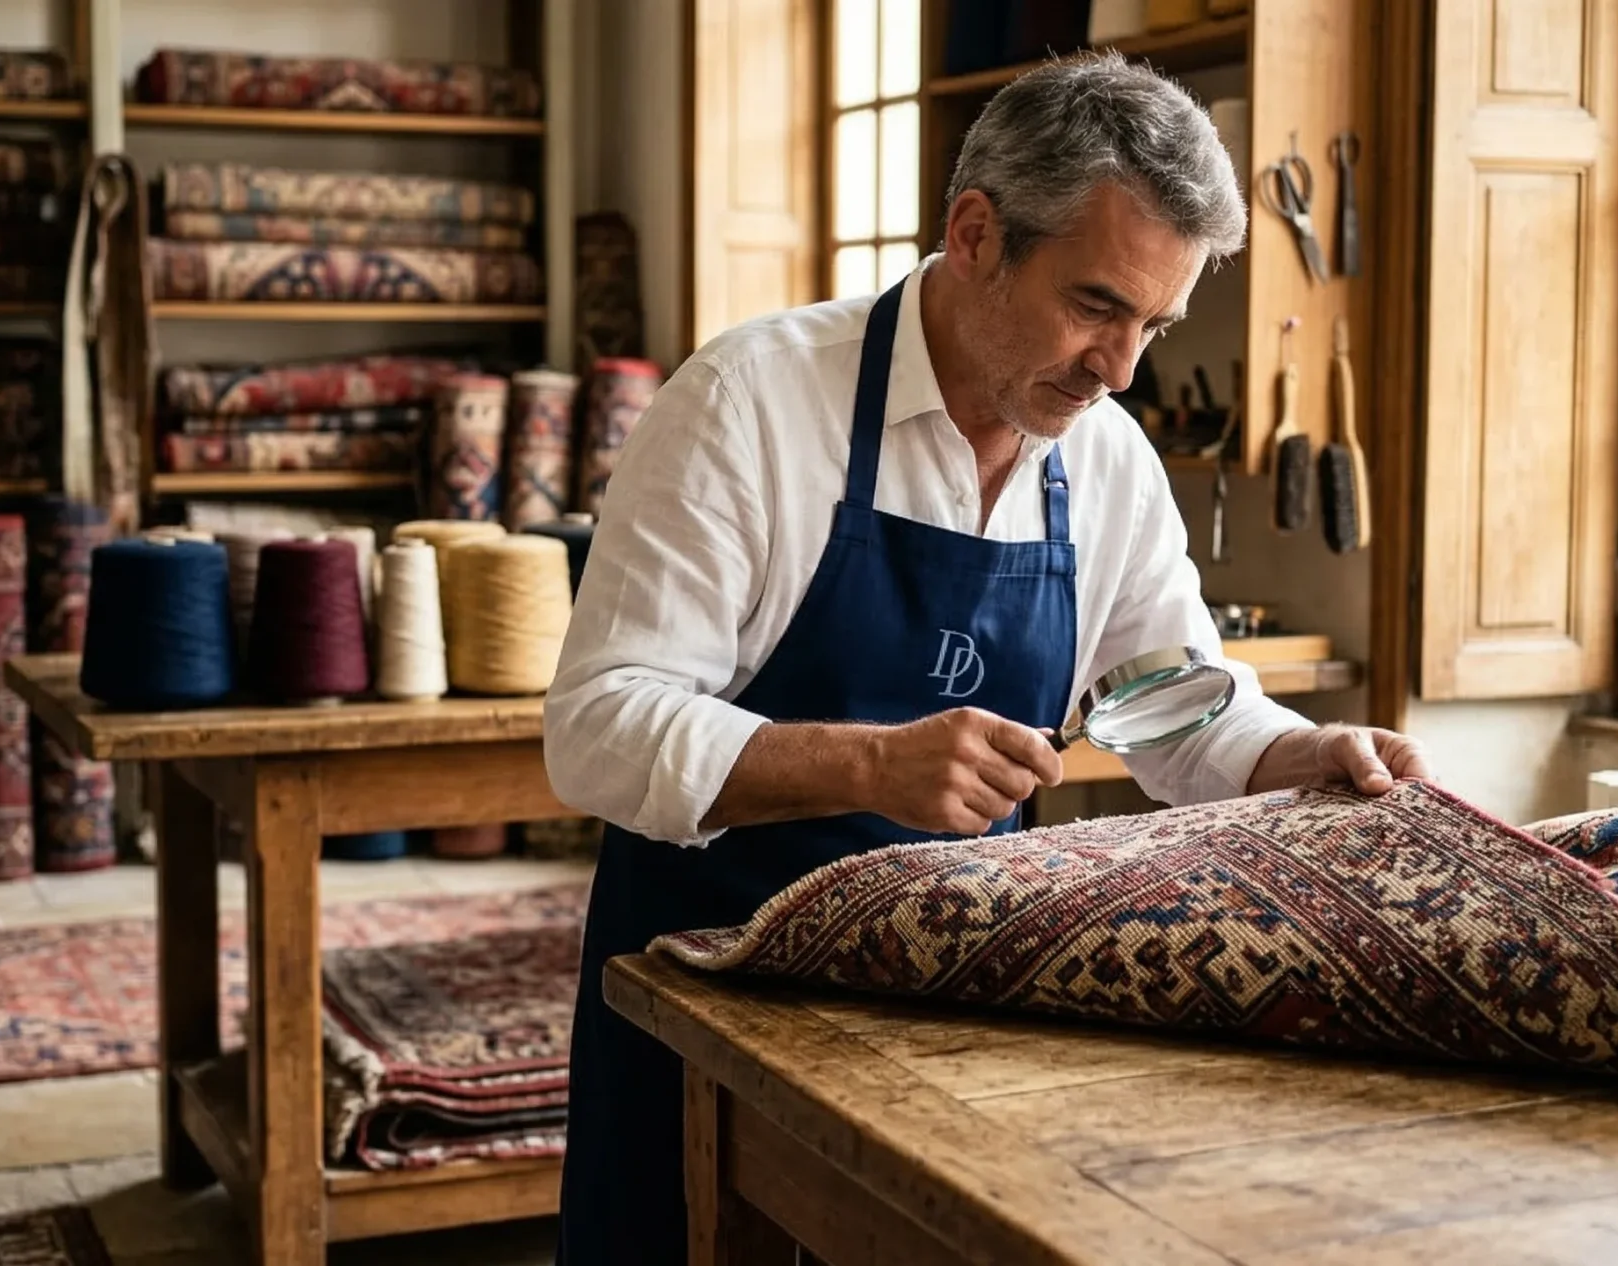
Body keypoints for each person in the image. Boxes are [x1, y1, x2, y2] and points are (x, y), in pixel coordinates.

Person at [540, 48, 1432, 1263]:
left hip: (955, 1007)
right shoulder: (748, 403)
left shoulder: (1103, 456)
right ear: (973, 235)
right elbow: (595, 728)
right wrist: (864, 766)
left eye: (1155, 325)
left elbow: (1164, 707)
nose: (1120, 369)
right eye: (1095, 307)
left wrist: (1296, 752)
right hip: (708, 992)